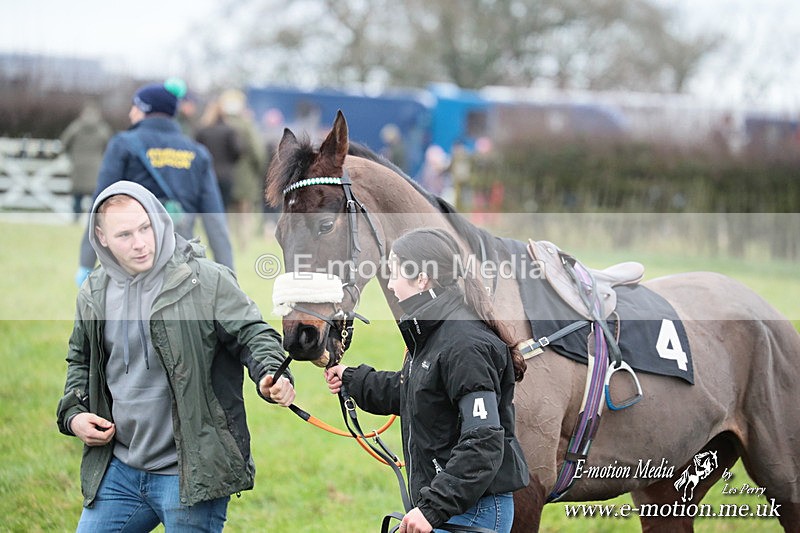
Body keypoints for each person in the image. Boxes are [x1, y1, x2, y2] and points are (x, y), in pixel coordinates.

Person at [57, 180, 295, 532]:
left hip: (190, 474)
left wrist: (272, 373)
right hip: (120, 469)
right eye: (124, 235)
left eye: (145, 227)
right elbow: (80, 360)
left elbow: (253, 334)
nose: (140, 243)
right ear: (101, 237)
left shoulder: (207, 281)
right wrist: (75, 414)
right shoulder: (94, 292)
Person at [325, 228, 529, 533]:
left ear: (422, 279)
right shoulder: (433, 334)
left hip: (473, 511)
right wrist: (354, 380)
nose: (390, 285)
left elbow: (484, 441)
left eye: (395, 274)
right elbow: (416, 391)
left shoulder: (465, 345)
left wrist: (432, 509)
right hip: (453, 505)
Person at [75, 78, 234, 287]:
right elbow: (215, 221)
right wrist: (228, 273)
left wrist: (86, 262)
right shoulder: (197, 153)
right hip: (181, 260)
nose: (131, 112)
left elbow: (100, 204)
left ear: (144, 110)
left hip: (133, 255)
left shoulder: (122, 145)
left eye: (135, 106)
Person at [218, 89, 267, 251]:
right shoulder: (247, 125)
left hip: (222, 177)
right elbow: (257, 151)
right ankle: (244, 246)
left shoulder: (218, 124)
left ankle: (229, 244)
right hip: (245, 178)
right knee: (245, 215)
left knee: (228, 214)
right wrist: (261, 172)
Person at [60, 102, 113, 222]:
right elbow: (109, 147)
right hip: (96, 165)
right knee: (95, 195)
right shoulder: (102, 129)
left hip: (78, 165)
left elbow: (64, 142)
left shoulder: (75, 127)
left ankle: (76, 218)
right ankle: (93, 220)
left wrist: (71, 155)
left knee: (77, 195)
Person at [196, 98, 242, 211]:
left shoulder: (202, 131)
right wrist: (230, 163)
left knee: (208, 209)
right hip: (226, 174)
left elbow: (196, 152)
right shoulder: (229, 131)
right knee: (224, 207)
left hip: (206, 174)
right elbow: (238, 151)